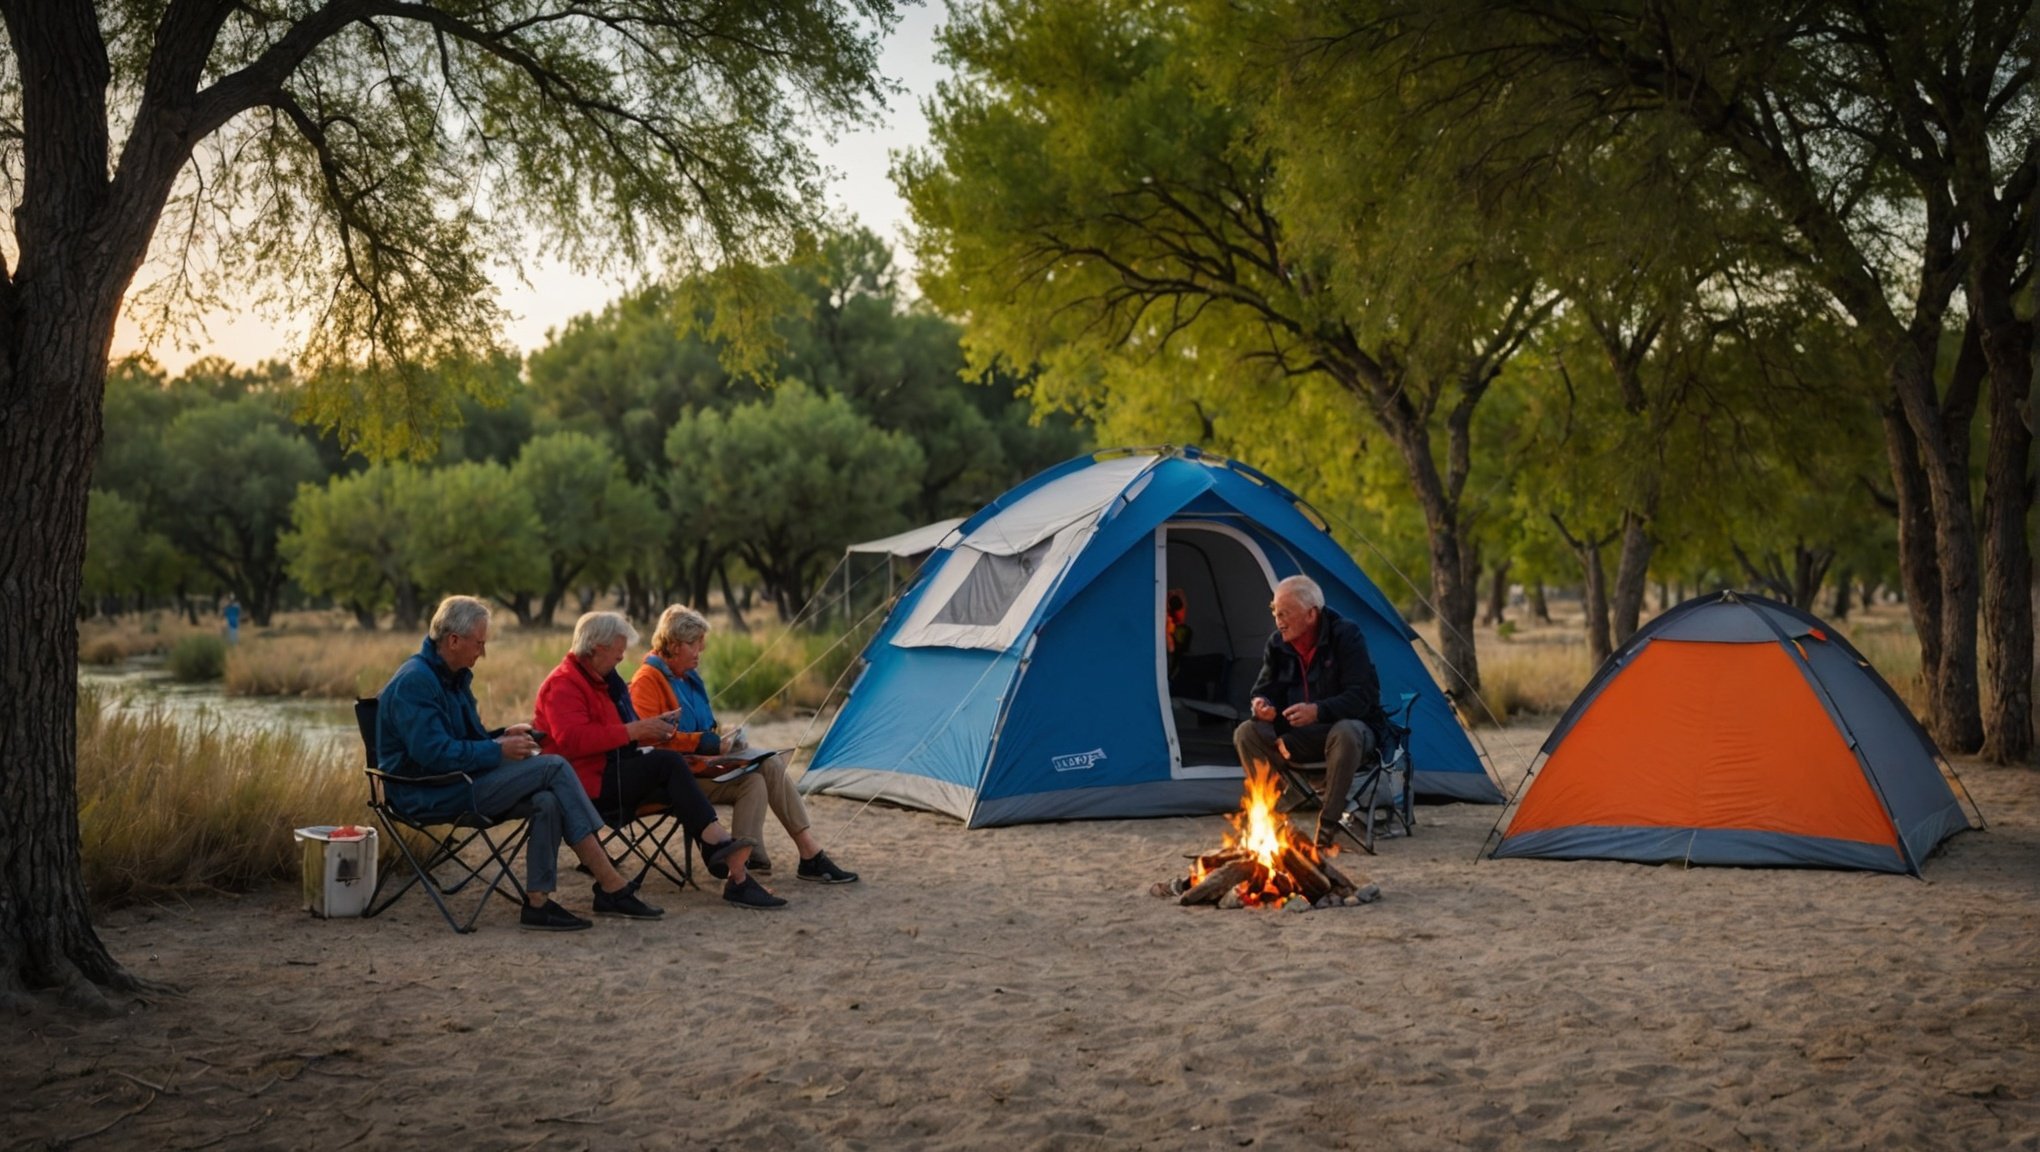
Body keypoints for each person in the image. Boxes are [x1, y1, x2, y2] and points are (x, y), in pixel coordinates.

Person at [377, 595, 664, 931]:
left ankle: (538, 903)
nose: (481, 653)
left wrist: (501, 736)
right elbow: (434, 755)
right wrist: (498, 751)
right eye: (479, 644)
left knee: (547, 799)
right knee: (553, 766)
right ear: (453, 640)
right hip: (429, 793)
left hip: (459, 780)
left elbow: (466, 738)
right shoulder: (416, 682)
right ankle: (611, 884)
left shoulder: (453, 676)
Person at [536, 610, 788, 909]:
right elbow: (573, 739)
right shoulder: (564, 684)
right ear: (597, 648)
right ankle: (721, 850)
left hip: (611, 771)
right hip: (586, 784)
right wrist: (636, 730)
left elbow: (622, 731)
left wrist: (654, 729)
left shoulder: (603, 681)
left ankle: (734, 871)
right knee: (667, 763)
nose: (622, 657)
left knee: (673, 770)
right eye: (618, 651)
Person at [630, 605, 860, 885]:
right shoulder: (647, 681)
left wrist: (723, 736)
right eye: (694, 644)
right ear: (674, 645)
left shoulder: (687, 678)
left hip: (703, 765)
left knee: (767, 764)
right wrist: (707, 743)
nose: (700, 651)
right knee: (754, 781)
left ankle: (784, 854)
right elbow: (647, 741)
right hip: (678, 778)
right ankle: (754, 862)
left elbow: (701, 727)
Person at [1233, 575, 1388, 852]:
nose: (1278, 621)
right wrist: (1262, 705)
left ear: (1311, 614)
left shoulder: (1346, 636)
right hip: (1296, 739)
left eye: (1285, 613)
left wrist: (1318, 711)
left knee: (1347, 732)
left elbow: (1363, 696)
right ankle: (1269, 820)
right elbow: (1263, 690)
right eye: (1275, 613)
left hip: (1347, 735)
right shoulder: (1277, 645)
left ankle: (1329, 824)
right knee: (1246, 732)